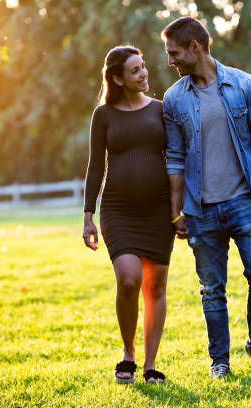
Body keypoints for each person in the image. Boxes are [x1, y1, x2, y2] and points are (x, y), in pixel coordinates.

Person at [161, 17, 251, 379]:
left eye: (174, 53)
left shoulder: (245, 86)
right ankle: (220, 361)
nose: (170, 61)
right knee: (211, 289)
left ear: (194, 47)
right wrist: (176, 211)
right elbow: (174, 158)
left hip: (246, 201)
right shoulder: (173, 99)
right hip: (200, 209)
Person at [82, 45, 175, 384]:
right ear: (117, 78)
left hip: (158, 210)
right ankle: (128, 352)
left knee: (156, 286)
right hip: (118, 209)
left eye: (143, 66)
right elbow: (95, 168)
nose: (144, 73)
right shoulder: (103, 115)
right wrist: (88, 214)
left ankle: (150, 364)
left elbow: (178, 161)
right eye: (135, 70)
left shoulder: (163, 110)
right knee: (128, 278)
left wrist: (180, 211)